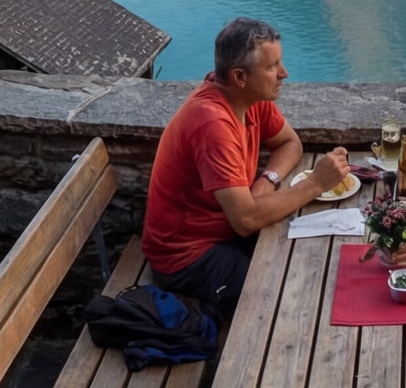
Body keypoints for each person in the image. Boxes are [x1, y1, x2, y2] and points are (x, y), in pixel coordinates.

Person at [142, 17, 349, 318]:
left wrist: (266, 181)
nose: (284, 73)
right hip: (188, 258)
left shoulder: (249, 97)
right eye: (272, 67)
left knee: (315, 260)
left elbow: (290, 144)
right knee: (288, 294)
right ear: (240, 76)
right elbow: (246, 219)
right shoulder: (212, 124)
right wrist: (317, 182)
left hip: (225, 233)